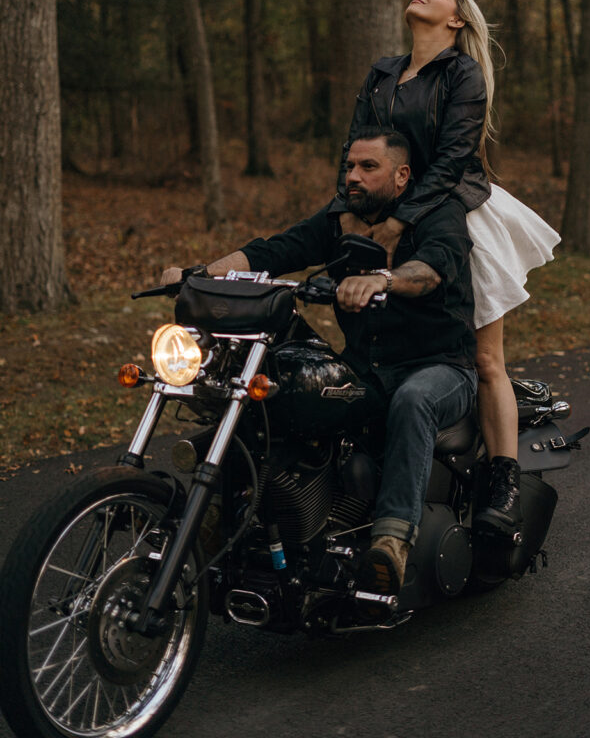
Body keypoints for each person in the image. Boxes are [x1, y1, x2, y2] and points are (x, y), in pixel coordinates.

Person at [162, 128, 478, 596]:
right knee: (280, 390)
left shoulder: (438, 213)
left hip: (440, 366)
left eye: (368, 167)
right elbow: (275, 250)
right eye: (350, 166)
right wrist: (200, 273)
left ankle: (391, 543)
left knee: (412, 400)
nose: (353, 176)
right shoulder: (340, 220)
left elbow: (430, 269)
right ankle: (222, 523)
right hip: (366, 368)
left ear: (401, 175)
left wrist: (382, 280)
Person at [333, 0, 560, 541]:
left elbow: (456, 155)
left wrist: (403, 220)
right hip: (388, 212)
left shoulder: (463, 74)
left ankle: (503, 479)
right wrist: (352, 209)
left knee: (484, 358)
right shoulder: (382, 71)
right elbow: (358, 145)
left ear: (457, 19)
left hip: (455, 213)